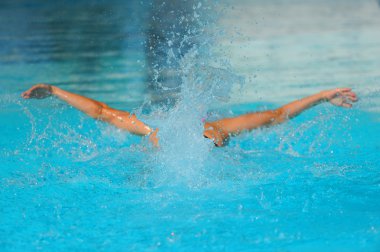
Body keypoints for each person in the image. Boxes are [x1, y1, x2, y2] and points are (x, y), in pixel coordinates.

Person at [21, 84, 358, 147]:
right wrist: (321, 97)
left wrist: (55, 91)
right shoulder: (216, 127)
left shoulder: (151, 129)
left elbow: (103, 113)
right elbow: (278, 115)